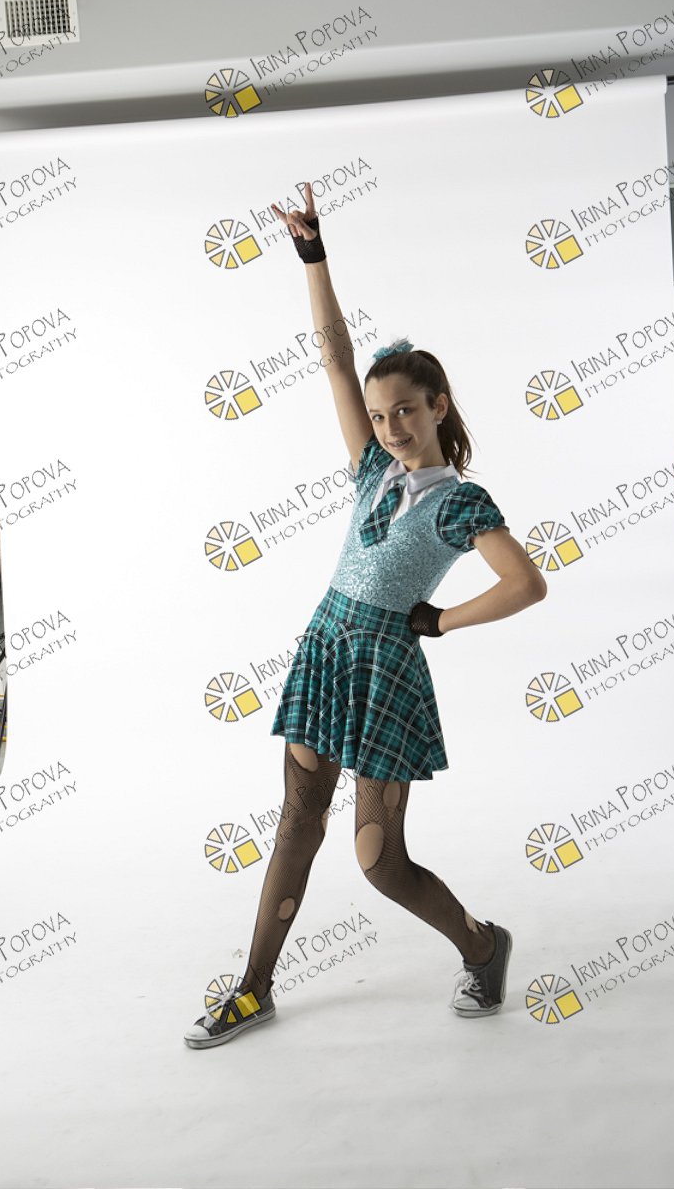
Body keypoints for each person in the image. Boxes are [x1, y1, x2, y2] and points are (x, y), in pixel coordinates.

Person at [185, 183, 547, 1049]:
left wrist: (441, 621)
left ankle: (482, 945)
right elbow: (336, 361)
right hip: (325, 648)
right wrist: (314, 256)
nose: (389, 427)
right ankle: (253, 988)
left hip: (385, 667)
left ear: (439, 406)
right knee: (295, 824)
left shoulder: (462, 502)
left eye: (405, 412)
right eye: (381, 416)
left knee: (379, 861)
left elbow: (526, 584)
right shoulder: (369, 469)